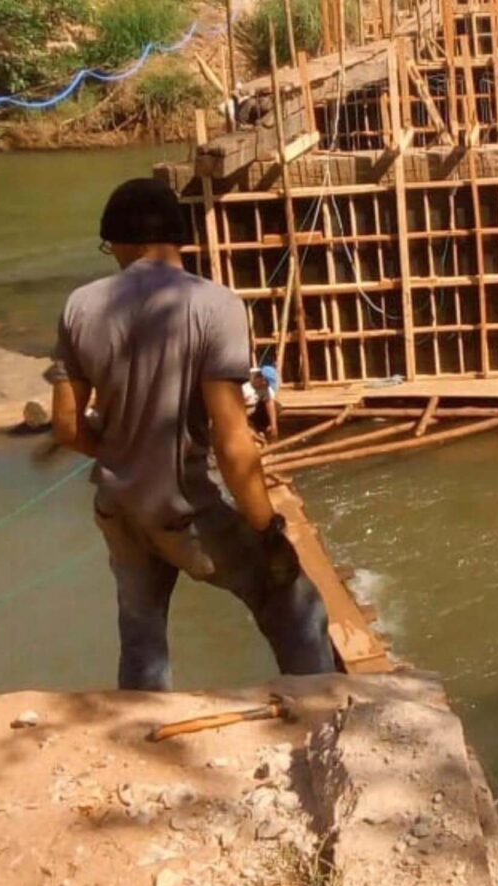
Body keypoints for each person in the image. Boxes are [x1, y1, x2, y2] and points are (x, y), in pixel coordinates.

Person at [49, 178, 334, 691]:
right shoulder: (215, 305)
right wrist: (267, 530)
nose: (110, 255)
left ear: (126, 242)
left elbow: (67, 426)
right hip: (183, 508)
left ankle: (141, 736)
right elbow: (231, 440)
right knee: (296, 608)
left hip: (118, 505)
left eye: (108, 245)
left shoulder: (80, 306)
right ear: (175, 239)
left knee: (141, 636)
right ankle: (322, 711)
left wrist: (118, 452)